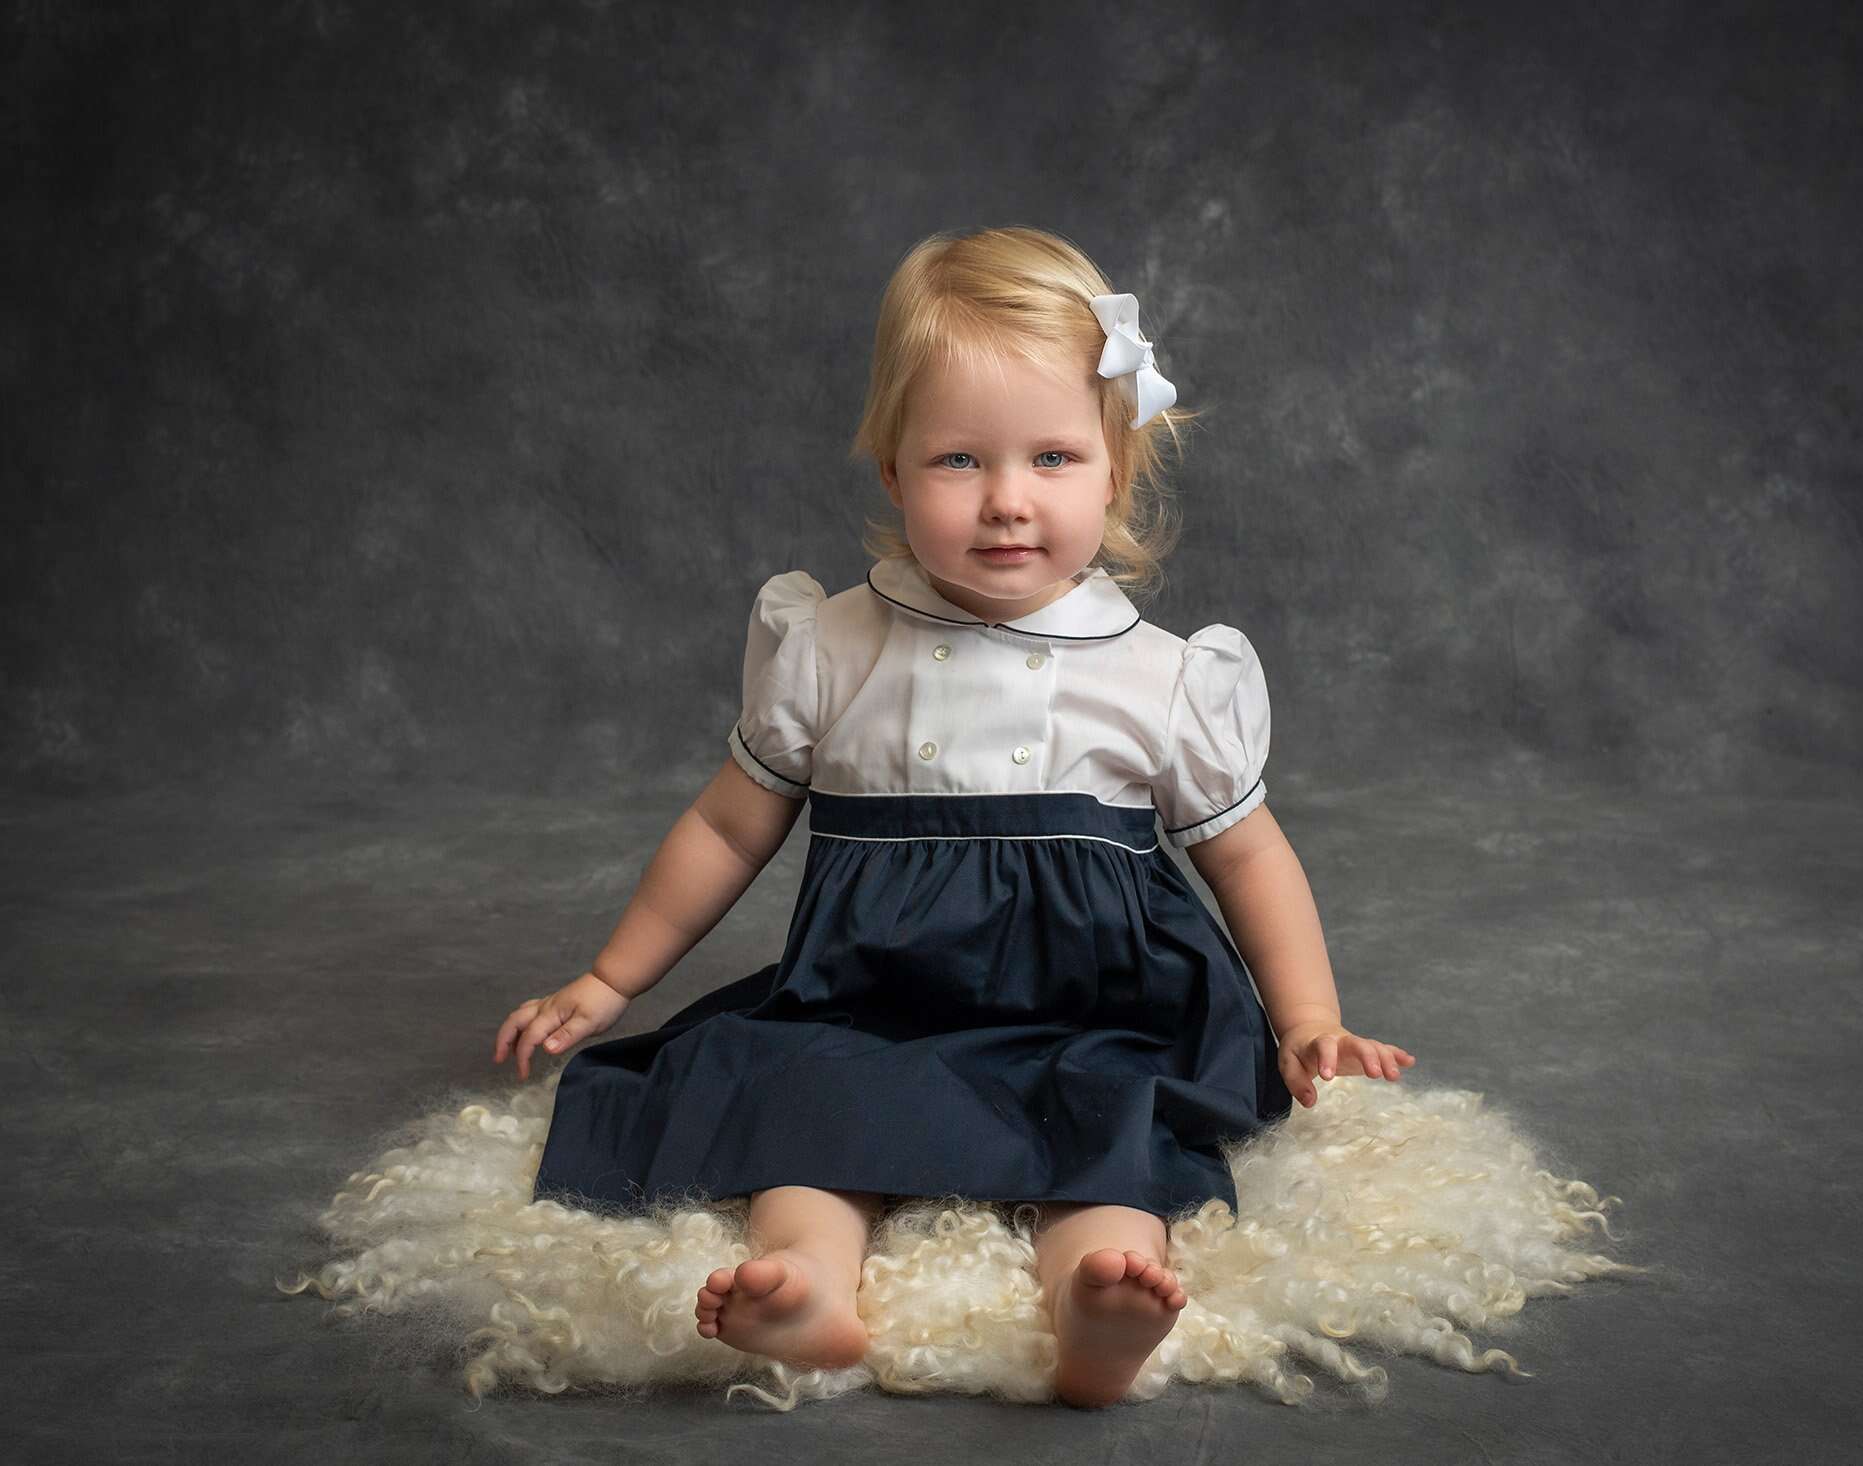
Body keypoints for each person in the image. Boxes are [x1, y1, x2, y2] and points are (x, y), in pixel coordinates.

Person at [490, 226, 1415, 1409]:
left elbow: (1245, 851)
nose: (1006, 502)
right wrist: (609, 979)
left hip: (1093, 1002)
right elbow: (729, 826)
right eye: (957, 462)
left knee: (1110, 1121)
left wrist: (1308, 1017)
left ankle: (1097, 1299)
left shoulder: (1159, 675)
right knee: (800, 1090)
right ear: (891, 470)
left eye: (1051, 457)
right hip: (874, 996)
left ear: (1114, 471)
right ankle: (808, 1281)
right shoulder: (830, 644)